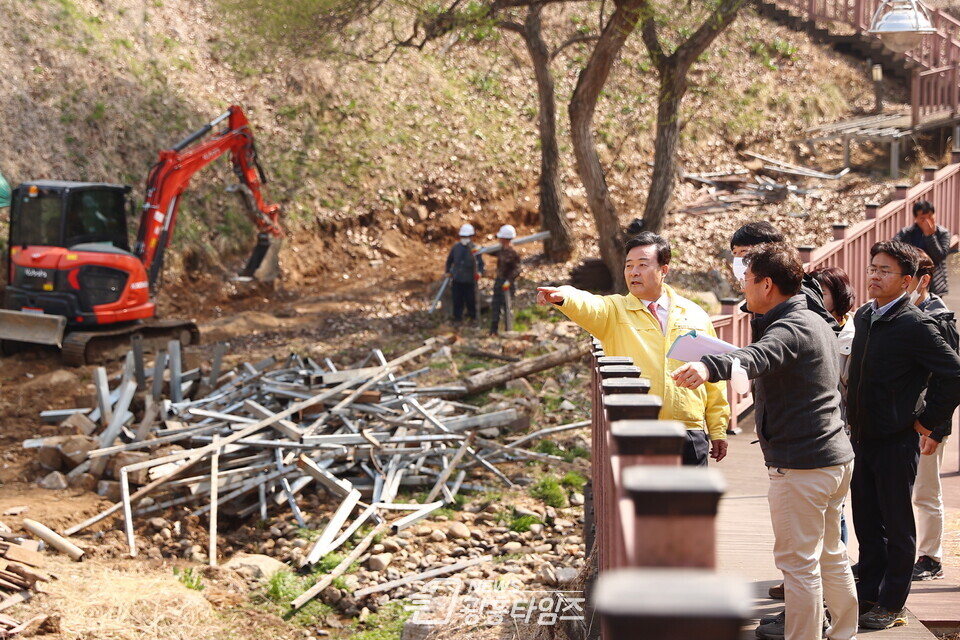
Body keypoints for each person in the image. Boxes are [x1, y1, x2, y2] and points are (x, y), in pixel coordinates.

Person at [672, 243, 857, 640]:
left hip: (804, 464)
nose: (743, 288)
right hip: (833, 457)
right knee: (831, 556)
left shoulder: (790, 326)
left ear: (767, 284)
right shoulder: (815, 318)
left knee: (799, 565)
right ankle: (843, 633)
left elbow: (757, 357)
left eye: (747, 280)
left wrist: (708, 364)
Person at [537, 231, 730, 466]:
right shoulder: (614, 310)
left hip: (689, 431)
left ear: (664, 270)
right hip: (639, 431)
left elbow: (713, 373)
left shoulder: (695, 314)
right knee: (647, 503)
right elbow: (588, 303)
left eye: (642, 265)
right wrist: (563, 296)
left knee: (693, 503)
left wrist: (718, 428)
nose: (634, 272)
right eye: (629, 266)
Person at [846, 241, 960, 630]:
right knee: (866, 522)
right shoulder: (864, 316)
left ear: (907, 281)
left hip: (896, 440)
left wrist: (928, 421)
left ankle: (893, 602)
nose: (874, 276)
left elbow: (954, 373)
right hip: (862, 438)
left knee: (897, 526)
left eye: (885, 271)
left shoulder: (915, 323)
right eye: (872, 268)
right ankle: (870, 594)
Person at [907, 249, 955, 582]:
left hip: (927, 421)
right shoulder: (892, 313)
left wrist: (936, 430)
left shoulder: (939, 317)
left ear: (923, 280)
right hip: (901, 420)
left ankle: (930, 556)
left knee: (926, 490)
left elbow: (951, 380)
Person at [730, 222, 840, 334]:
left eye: (744, 252)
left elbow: (825, 332)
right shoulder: (760, 298)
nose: (739, 260)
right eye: (735, 253)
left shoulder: (798, 292)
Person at [894, 200, 950, 296]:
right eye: (922, 218)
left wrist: (929, 236)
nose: (927, 221)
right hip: (912, 279)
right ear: (916, 218)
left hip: (934, 282)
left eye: (930, 217)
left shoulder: (942, 233)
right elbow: (895, 248)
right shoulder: (907, 233)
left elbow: (939, 256)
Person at [444, 223, 484, 323]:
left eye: (467, 237)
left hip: (470, 280)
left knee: (471, 300)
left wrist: (480, 272)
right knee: (457, 300)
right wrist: (448, 271)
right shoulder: (456, 248)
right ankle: (457, 318)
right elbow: (449, 261)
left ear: (471, 237)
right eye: (463, 237)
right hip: (457, 279)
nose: (465, 238)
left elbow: (481, 264)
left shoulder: (475, 249)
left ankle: (472, 318)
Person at [490, 224, 522, 335]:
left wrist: (509, 281)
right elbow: (490, 251)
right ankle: (493, 331)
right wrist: (479, 249)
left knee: (507, 307)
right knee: (495, 305)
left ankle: (508, 330)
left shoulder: (513, 253)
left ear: (504, 238)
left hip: (508, 284)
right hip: (499, 282)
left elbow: (518, 269)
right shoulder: (501, 250)